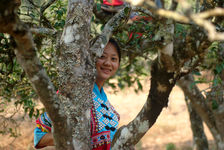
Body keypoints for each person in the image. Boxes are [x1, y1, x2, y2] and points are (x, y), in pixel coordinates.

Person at [34, 38, 121, 150]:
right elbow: (39, 136)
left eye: (113, 59)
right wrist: (75, 140)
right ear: (90, 58)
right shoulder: (72, 91)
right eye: (102, 56)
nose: (108, 63)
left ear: (118, 64)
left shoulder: (108, 105)